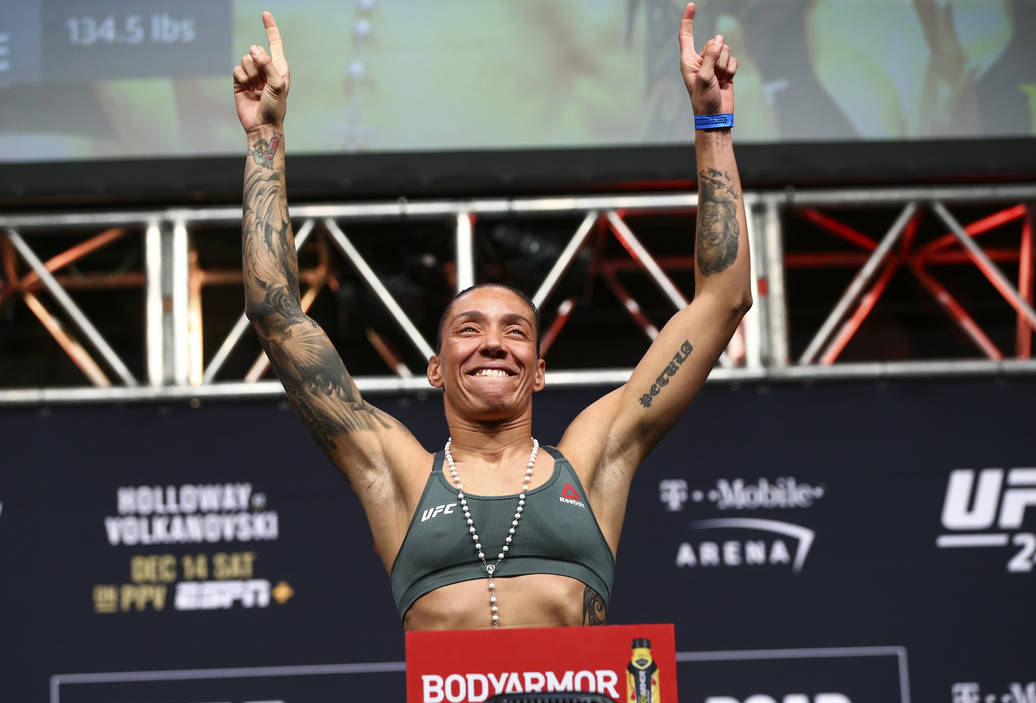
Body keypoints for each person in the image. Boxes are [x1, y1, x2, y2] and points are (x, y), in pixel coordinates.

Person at [234, 3, 751, 630]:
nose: (493, 344)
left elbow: (721, 300)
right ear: (434, 368)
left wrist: (713, 124)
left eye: (516, 332)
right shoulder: (397, 473)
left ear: (538, 371)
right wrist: (265, 140)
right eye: (468, 329)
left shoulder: (592, 460)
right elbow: (276, 315)